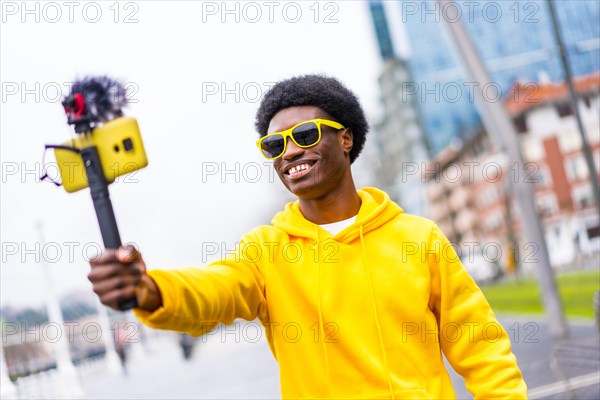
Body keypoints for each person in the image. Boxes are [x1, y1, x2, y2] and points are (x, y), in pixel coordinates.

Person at [88, 75, 527, 399]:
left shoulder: (419, 238)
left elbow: (481, 346)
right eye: (275, 146)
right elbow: (211, 292)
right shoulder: (265, 252)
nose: (290, 152)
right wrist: (149, 290)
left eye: (304, 135)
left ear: (346, 138)